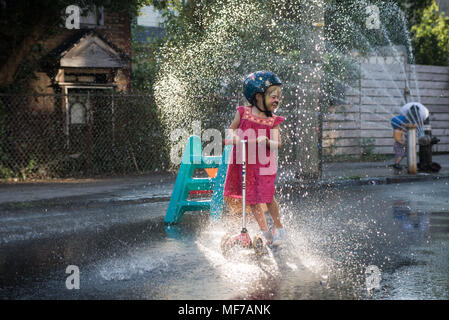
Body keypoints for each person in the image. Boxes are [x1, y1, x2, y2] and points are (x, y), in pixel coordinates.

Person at [223, 71, 286, 246]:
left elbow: (278, 144)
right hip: (245, 162)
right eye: (273, 96)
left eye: (278, 97)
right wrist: (234, 138)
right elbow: (231, 130)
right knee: (251, 198)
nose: (277, 100)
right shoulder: (243, 113)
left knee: (267, 196)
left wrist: (267, 141)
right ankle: (265, 232)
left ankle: (279, 228)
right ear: (257, 96)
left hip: (264, 165)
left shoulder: (273, 120)